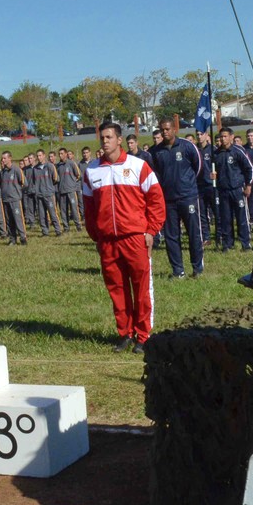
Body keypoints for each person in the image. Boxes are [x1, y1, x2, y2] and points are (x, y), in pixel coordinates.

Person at [82, 122, 166, 353]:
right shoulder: (92, 170)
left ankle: (143, 335)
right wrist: (96, 236)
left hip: (135, 238)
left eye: (109, 137)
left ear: (119, 140)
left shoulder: (138, 166)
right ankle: (125, 333)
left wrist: (151, 231)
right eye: (102, 138)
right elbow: (89, 207)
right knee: (116, 289)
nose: (105, 141)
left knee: (140, 288)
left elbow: (156, 200)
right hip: (108, 241)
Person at [149, 117, 205, 279]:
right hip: (168, 200)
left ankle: (197, 267)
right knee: (171, 236)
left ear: (174, 129)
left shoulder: (187, 146)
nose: (165, 132)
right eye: (162, 130)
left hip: (188, 197)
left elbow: (199, 166)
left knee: (193, 232)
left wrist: (188, 183)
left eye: (167, 129)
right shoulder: (156, 152)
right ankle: (177, 270)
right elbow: (155, 174)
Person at [210, 127, 253, 252]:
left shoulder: (238, 151)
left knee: (241, 218)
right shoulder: (216, 154)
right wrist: (213, 175)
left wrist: (248, 185)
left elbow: (249, 168)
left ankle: (245, 243)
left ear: (231, 137)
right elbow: (213, 170)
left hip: (237, 189)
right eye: (221, 137)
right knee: (225, 218)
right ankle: (227, 243)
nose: (223, 139)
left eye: (225, 136)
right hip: (223, 190)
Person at [0, 151, 28, 245]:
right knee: (9, 220)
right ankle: (12, 239)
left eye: (5, 158)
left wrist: (16, 191)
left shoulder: (16, 169)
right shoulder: (2, 172)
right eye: (2, 158)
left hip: (15, 199)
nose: (3, 160)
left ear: (10, 158)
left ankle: (23, 238)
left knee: (18, 219)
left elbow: (24, 183)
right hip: (5, 199)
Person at [55, 148, 83, 231]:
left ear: (66, 154)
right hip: (62, 191)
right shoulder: (58, 166)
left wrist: (72, 183)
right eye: (59, 154)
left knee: (74, 209)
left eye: (62, 153)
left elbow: (78, 175)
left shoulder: (71, 163)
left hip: (71, 190)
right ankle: (66, 227)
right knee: (63, 210)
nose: (60, 155)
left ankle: (78, 225)